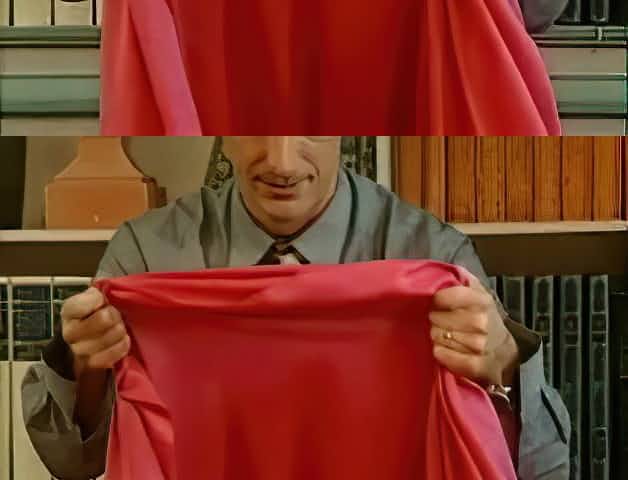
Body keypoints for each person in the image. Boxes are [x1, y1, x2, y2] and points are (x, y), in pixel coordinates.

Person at [22, 136, 570, 480]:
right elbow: (70, 464)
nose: (282, 162)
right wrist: (86, 369)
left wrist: (503, 363)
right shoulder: (145, 256)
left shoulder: (433, 255)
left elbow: (541, 469)